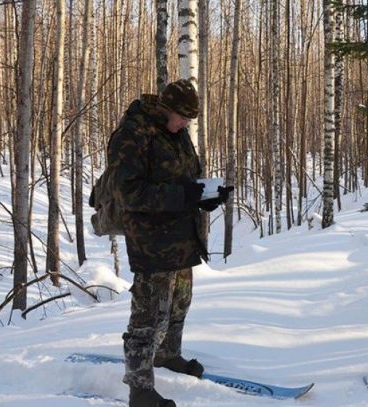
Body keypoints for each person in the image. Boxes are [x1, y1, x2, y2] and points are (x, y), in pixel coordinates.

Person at [108, 79, 231, 407]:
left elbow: (186, 181)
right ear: (164, 108)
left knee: (178, 306)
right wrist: (186, 195)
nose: (185, 124)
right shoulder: (132, 134)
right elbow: (129, 193)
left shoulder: (178, 135)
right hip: (151, 243)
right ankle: (139, 388)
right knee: (149, 316)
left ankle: (167, 356)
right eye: (181, 117)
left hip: (181, 239)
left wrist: (206, 196)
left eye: (190, 120)